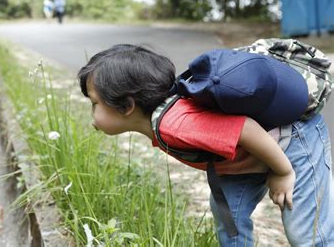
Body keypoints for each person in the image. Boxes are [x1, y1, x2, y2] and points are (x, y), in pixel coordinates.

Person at [77, 44, 333, 246]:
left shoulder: (174, 125)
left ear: (127, 106)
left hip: (293, 140)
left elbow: (244, 128)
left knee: (307, 235)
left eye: (95, 103)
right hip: (248, 156)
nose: (92, 112)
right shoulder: (163, 118)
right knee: (228, 214)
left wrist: (283, 172)